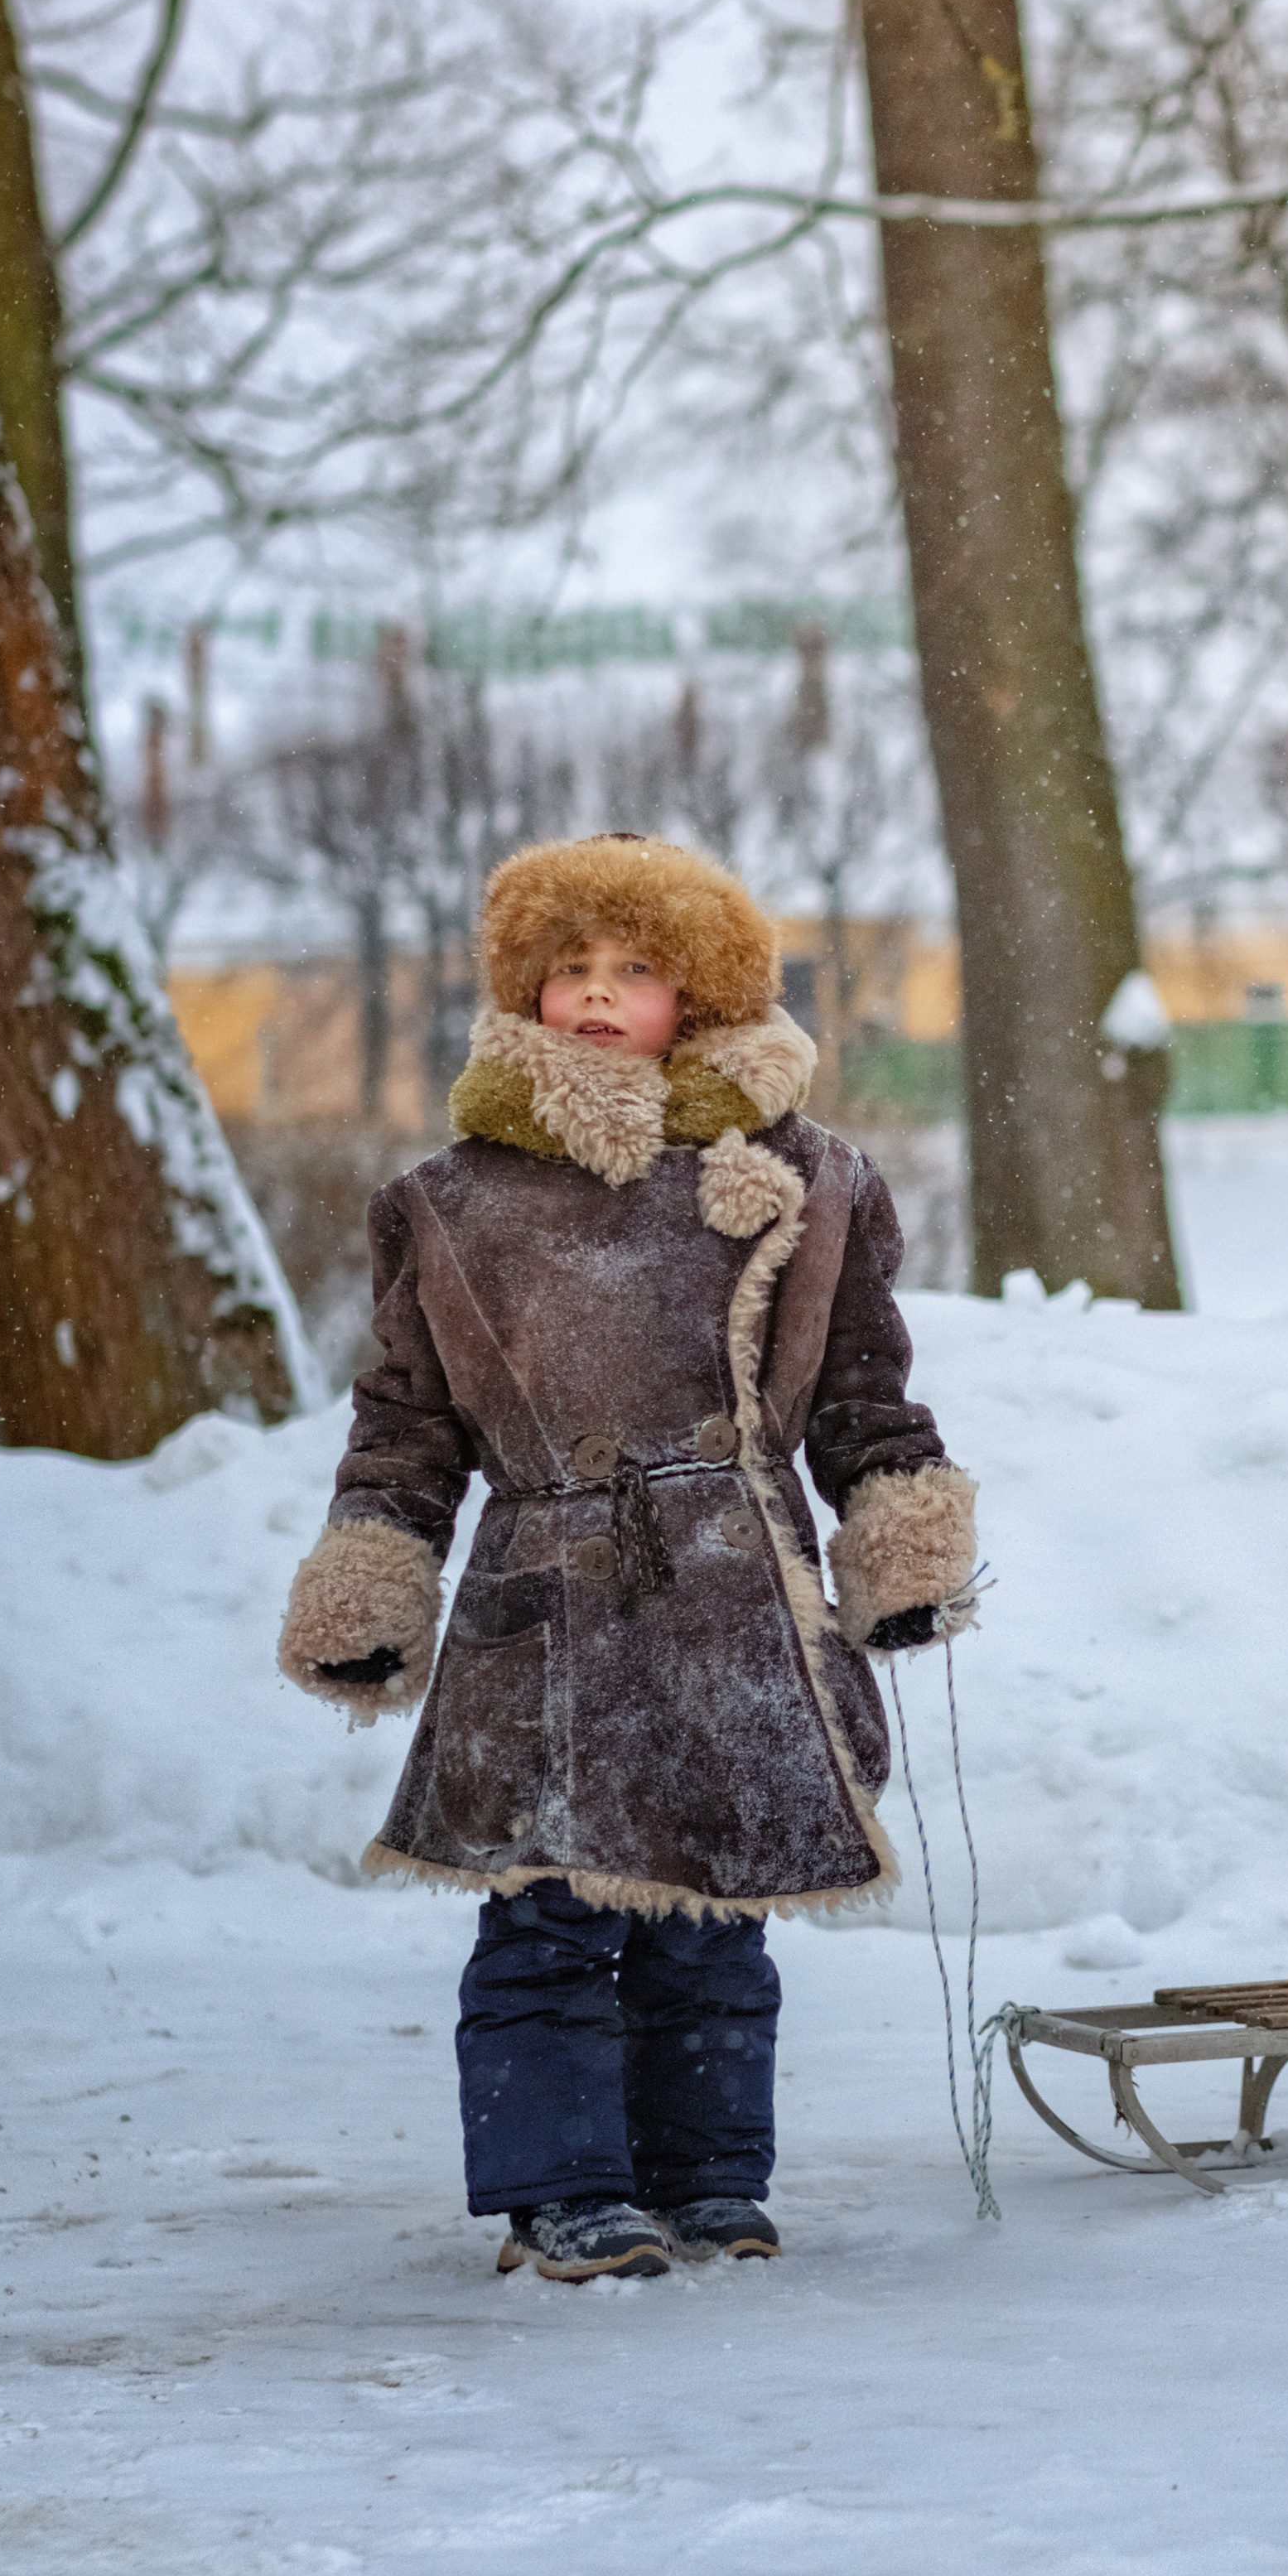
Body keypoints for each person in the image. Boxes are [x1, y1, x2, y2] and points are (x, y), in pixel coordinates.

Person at [277, 834, 977, 2282]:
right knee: (551, 1907)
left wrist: (898, 1537)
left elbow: (861, 1389)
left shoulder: (813, 1177)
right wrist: (375, 1568)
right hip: (553, 1597)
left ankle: (709, 2173)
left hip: (741, 1597)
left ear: (701, 994)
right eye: (570, 970)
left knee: (715, 1917)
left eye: (636, 971)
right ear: (527, 992)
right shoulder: (452, 1201)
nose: (598, 997)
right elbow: (408, 1420)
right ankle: (564, 2186)